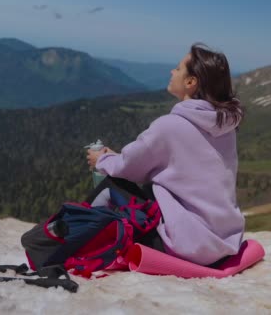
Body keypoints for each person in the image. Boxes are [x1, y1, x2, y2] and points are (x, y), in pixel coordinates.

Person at [86, 43, 244, 266]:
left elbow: (128, 168)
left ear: (191, 82)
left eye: (178, 69)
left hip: (188, 245)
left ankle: (70, 242)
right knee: (150, 190)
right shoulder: (225, 126)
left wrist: (102, 159)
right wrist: (118, 158)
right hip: (223, 241)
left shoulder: (170, 126)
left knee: (111, 185)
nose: (172, 72)